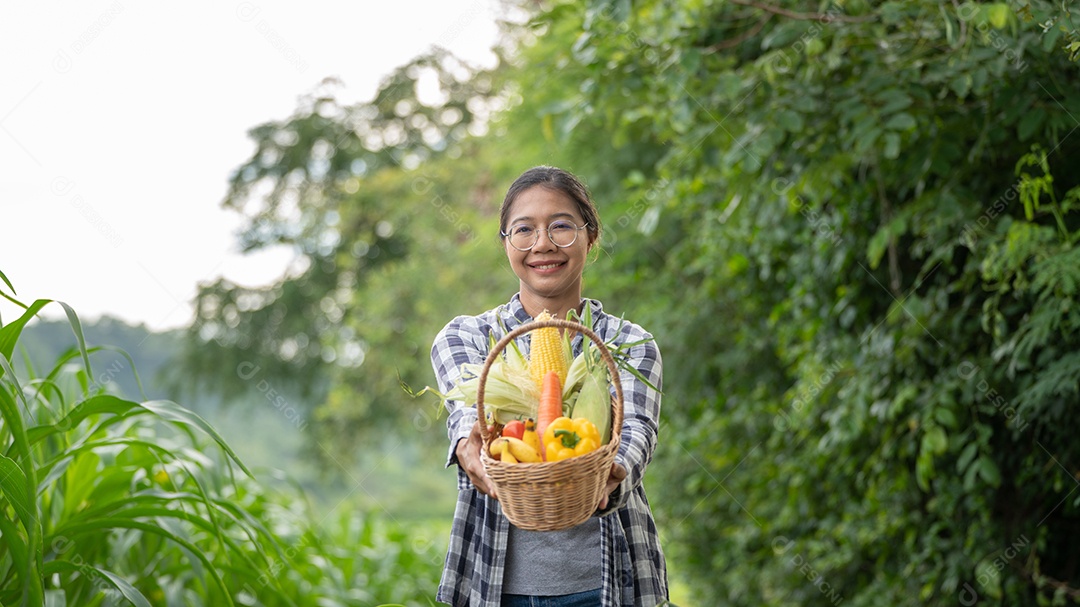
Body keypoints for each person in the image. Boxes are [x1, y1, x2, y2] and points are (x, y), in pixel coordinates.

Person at [430, 166, 668, 606]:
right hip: (494, 582)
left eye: (560, 226)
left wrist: (607, 477)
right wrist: (470, 448)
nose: (542, 244)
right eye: (524, 230)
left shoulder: (629, 344)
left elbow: (636, 433)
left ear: (590, 237)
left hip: (610, 582)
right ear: (506, 244)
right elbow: (467, 418)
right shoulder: (466, 337)